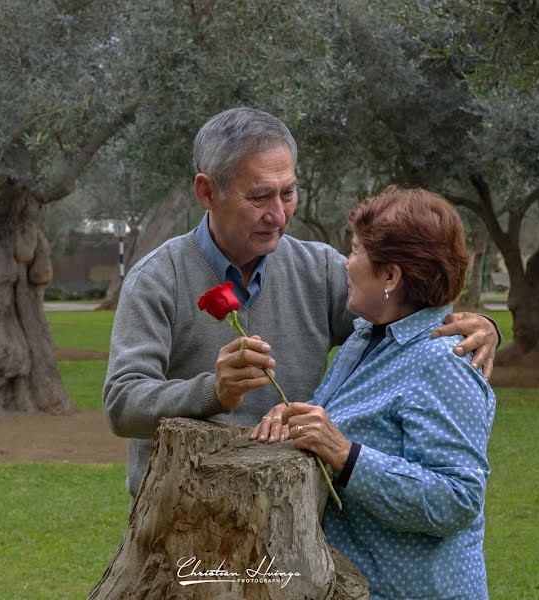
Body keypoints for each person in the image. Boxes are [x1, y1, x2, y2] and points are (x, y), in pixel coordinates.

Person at [103, 107, 499, 500]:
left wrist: (481, 327)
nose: (278, 215)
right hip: (181, 518)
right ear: (207, 192)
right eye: (259, 196)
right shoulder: (156, 279)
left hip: (294, 522)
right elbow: (122, 404)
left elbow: (400, 324)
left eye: (288, 192)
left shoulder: (322, 270)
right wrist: (213, 392)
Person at [251, 186, 496, 600]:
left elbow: (458, 498)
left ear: (390, 275)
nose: (346, 264)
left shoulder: (444, 363)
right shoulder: (365, 337)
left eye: (356, 250)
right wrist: (296, 417)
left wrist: (348, 456)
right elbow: (343, 420)